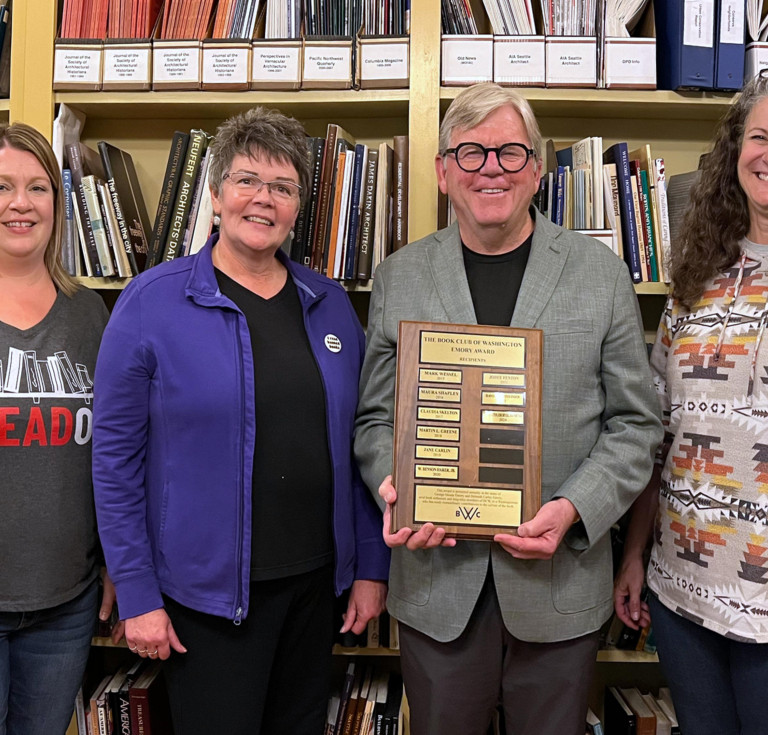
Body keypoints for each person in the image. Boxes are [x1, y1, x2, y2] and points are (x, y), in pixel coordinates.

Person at [354, 82, 663, 735]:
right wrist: (395, 485)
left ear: (538, 168)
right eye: (470, 153)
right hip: (437, 583)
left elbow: (637, 423)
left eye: (510, 152)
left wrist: (574, 507)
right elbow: (375, 418)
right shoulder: (400, 276)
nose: (490, 167)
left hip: (560, 584)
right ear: (442, 171)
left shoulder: (599, 272)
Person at [92, 106, 389, 735]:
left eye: (282, 187)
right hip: (203, 600)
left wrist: (369, 568)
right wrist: (138, 593)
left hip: (315, 590)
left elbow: (361, 444)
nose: (263, 199)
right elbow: (115, 462)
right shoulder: (149, 303)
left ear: (298, 205)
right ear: (217, 192)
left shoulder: (330, 306)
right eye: (248, 180)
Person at [614, 74, 768, 735]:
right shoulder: (698, 276)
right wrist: (633, 555)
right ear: (737, 150)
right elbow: (659, 427)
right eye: (761, 136)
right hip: (682, 588)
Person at [0, 122, 120, 735]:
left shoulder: (90, 313)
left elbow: (112, 452)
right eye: (3, 186)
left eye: (38, 188)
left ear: (58, 202)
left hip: (64, 603)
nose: (20, 203)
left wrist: (112, 564)